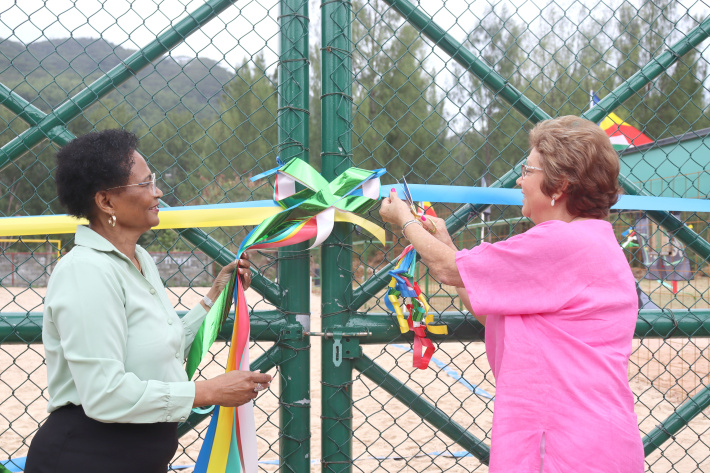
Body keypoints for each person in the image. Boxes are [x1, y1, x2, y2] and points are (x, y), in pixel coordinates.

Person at [380, 116, 644, 472]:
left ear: (559, 184)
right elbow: (488, 309)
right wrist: (445, 243)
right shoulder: (586, 241)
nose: (519, 180)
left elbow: (446, 269)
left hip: (565, 446)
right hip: (583, 438)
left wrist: (405, 220)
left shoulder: (562, 241)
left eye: (527, 169)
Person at [25, 129, 272, 473]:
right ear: (106, 201)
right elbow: (105, 393)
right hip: (86, 459)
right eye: (144, 184)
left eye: (153, 180)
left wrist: (215, 295)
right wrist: (206, 392)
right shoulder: (86, 271)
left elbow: (160, 353)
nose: (157, 191)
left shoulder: (139, 259)